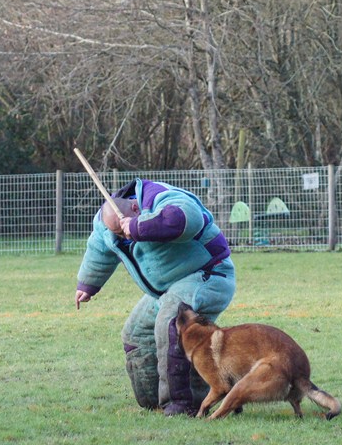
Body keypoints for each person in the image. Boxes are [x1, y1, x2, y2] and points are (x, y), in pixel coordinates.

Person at [74, 178, 236, 416]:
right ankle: (152, 400)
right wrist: (87, 284)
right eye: (118, 233)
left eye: (123, 231)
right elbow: (100, 249)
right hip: (167, 289)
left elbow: (185, 219)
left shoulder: (160, 196)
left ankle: (183, 404)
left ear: (136, 209)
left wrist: (139, 227)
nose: (124, 237)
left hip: (208, 274)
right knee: (135, 333)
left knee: (169, 324)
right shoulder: (106, 222)